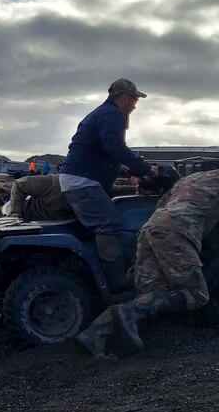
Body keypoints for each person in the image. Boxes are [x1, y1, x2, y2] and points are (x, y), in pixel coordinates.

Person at [74, 158, 219, 358]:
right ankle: (127, 313)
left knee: (152, 291)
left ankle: (96, 333)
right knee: (196, 294)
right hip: (177, 233)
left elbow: (162, 203)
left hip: (150, 230)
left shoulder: (192, 178)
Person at [59, 78, 153, 293]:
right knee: (109, 223)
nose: (135, 106)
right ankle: (117, 284)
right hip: (83, 181)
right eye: (135, 101)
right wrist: (146, 169)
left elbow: (101, 151)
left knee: (119, 204)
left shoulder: (100, 113)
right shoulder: (113, 114)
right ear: (125, 98)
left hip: (80, 178)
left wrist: (126, 170)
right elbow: (114, 147)